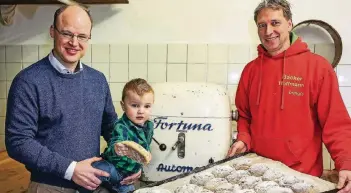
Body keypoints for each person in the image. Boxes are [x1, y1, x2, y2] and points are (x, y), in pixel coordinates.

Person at [5, 5, 139, 193]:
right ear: (53, 32)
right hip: (49, 186)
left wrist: (130, 162)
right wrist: (71, 169)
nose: (74, 43)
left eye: (82, 36)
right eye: (67, 34)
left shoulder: (97, 80)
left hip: (94, 182)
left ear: (89, 37)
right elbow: (18, 141)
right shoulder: (28, 81)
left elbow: (111, 127)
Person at [226, 0, 351, 192]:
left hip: (302, 178)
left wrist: (346, 163)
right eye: (262, 25)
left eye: (275, 23)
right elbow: (245, 116)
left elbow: (336, 124)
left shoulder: (318, 67)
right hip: (258, 175)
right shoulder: (250, 70)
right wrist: (243, 138)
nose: (268, 31)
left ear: (290, 24)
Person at [79, 78, 155, 193]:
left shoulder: (149, 127)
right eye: (135, 105)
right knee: (96, 169)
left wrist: (139, 167)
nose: (141, 111)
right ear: (123, 106)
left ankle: (116, 187)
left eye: (147, 106)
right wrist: (116, 148)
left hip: (127, 176)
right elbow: (115, 141)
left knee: (129, 189)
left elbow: (145, 148)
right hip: (113, 168)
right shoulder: (121, 126)